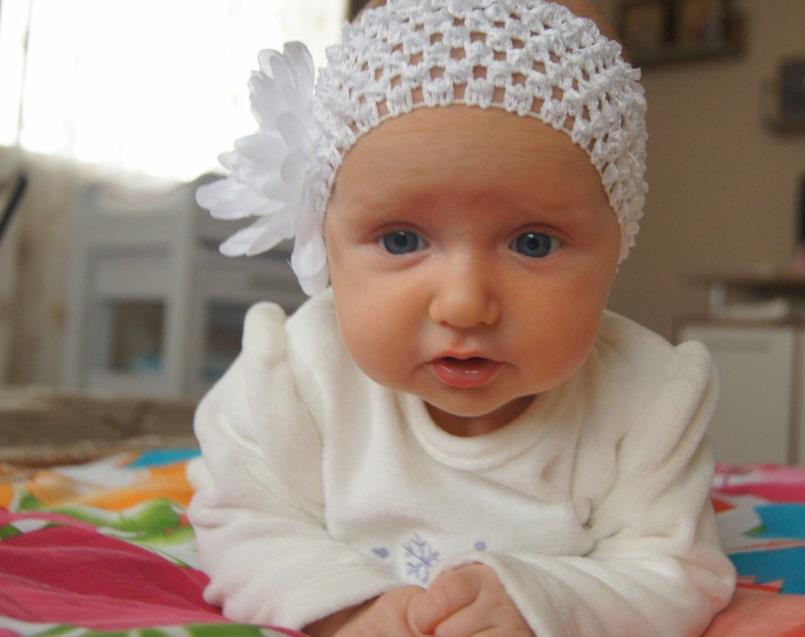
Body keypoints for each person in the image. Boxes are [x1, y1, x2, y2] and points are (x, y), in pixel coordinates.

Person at [188, 1, 737, 635]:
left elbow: (673, 569)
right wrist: (352, 607)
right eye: (401, 240)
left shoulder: (649, 397)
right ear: (327, 238)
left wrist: (540, 603)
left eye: (533, 243)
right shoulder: (291, 376)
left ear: (617, 247)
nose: (464, 304)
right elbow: (243, 521)